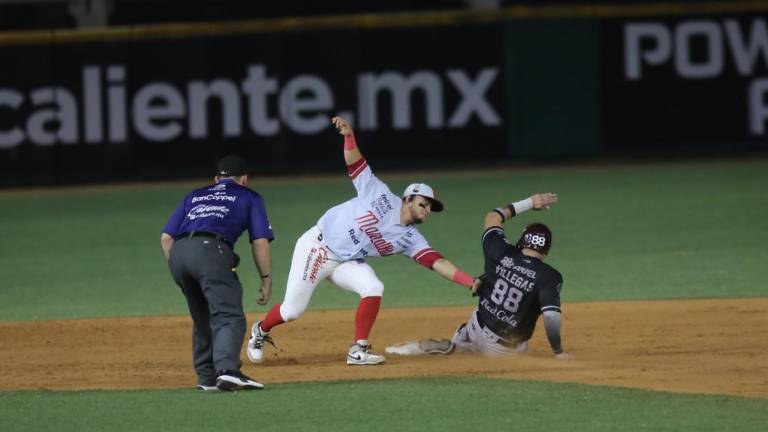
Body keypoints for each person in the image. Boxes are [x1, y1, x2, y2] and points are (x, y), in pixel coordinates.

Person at [246, 116, 478, 366]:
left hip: (347, 261)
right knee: (291, 311)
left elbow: (436, 261)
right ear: (408, 199)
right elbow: (355, 163)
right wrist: (349, 136)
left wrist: (469, 282)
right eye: (423, 203)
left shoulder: (411, 238)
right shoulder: (379, 193)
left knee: (373, 287)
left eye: (430, 208)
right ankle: (260, 330)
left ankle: (358, 349)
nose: (426, 210)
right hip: (318, 247)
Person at [385, 192, 570, 359]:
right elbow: (552, 316)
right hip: (503, 350)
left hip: (476, 327)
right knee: (518, 341)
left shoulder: (499, 249)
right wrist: (558, 351)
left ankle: (449, 346)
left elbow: (493, 216)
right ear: (546, 251)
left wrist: (530, 202)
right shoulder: (550, 276)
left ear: (522, 242)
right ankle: (459, 350)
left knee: (486, 290)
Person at [160, 155, 274, 391]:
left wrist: (178, 270)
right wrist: (266, 278)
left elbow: (166, 237)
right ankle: (228, 371)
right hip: (211, 252)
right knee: (229, 315)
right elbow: (260, 241)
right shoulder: (249, 195)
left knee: (203, 317)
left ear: (216, 179)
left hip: (179, 253)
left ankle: (206, 378)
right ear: (244, 179)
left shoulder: (195, 194)